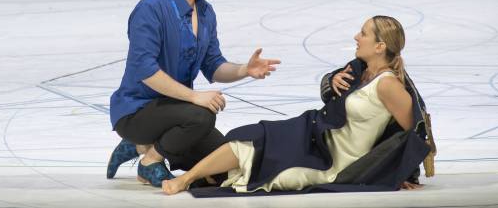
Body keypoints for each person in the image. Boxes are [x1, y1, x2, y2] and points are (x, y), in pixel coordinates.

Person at [162, 16, 432, 195]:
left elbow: (414, 133)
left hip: (329, 159)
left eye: (363, 33)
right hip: (315, 133)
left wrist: (404, 172)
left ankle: (185, 179)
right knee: (251, 134)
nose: (356, 37)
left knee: (259, 151)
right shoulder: (360, 69)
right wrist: (331, 80)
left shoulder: (388, 85)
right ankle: (189, 173)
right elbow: (334, 94)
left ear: (379, 46)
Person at [107, 0, 281, 187]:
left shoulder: (206, 12)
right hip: (137, 111)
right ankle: (150, 160)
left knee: (224, 166)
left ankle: (144, 145)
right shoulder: (151, 8)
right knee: (201, 115)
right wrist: (194, 97)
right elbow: (145, 69)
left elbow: (213, 66)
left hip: (176, 113)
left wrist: (245, 69)